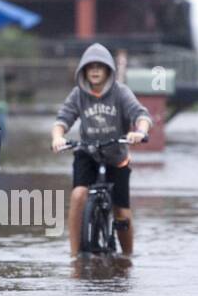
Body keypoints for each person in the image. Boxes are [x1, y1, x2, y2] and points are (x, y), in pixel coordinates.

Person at [50, 43, 152, 256]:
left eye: (100, 66)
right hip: (87, 152)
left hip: (116, 155)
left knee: (122, 211)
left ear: (108, 70)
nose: (95, 70)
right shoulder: (78, 94)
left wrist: (139, 132)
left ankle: (127, 258)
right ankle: (74, 255)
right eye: (90, 66)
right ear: (84, 71)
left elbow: (141, 115)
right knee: (78, 195)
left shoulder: (121, 92)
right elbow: (63, 119)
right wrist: (58, 137)